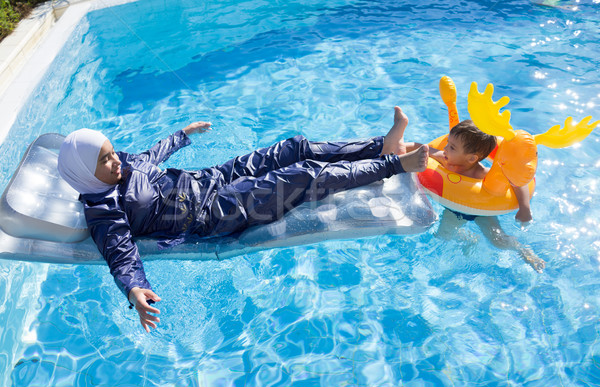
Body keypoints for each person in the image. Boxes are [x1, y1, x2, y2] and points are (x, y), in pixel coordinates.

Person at [57, 116, 429, 332]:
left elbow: (151, 155)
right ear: (83, 173)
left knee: (292, 148)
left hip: (211, 179)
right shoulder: (104, 209)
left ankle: (380, 146)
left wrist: (182, 135)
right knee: (303, 174)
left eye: (110, 152)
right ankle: (394, 165)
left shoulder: (121, 164)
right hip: (213, 213)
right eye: (104, 161)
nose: (115, 162)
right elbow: (120, 254)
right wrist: (134, 290)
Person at [390, 106, 546, 272]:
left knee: (498, 240)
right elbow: (421, 148)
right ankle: (468, 239)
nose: (445, 149)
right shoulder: (444, 159)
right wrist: (396, 148)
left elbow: (516, 182)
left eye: (452, 147)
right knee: (443, 236)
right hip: (454, 208)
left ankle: (524, 251)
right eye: (448, 144)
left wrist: (524, 208)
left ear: (472, 158)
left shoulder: (484, 174)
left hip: (483, 210)